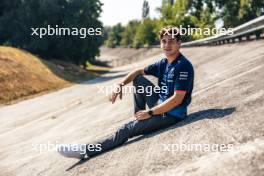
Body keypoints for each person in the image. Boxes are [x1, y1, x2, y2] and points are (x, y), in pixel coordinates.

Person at [57, 26, 194, 160]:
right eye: (164, 41)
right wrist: (120, 84)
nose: (167, 45)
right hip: (160, 103)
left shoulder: (183, 66)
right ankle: (139, 120)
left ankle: (85, 151)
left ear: (179, 43)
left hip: (172, 114)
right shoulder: (164, 63)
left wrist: (150, 112)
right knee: (138, 79)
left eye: (171, 41)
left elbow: (177, 99)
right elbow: (137, 71)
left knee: (126, 129)